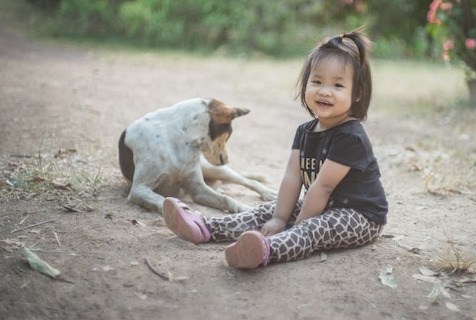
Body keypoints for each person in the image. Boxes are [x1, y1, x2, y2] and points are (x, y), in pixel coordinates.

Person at [162, 30, 388, 269]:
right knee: (269, 210)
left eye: (338, 85)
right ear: (306, 84)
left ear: (358, 93)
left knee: (312, 228)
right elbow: (292, 177)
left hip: (360, 216)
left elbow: (323, 187)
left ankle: (264, 250)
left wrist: (296, 225)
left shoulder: (350, 137)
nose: (324, 91)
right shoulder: (304, 131)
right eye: (317, 81)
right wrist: (280, 218)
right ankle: (204, 228)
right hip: (325, 204)